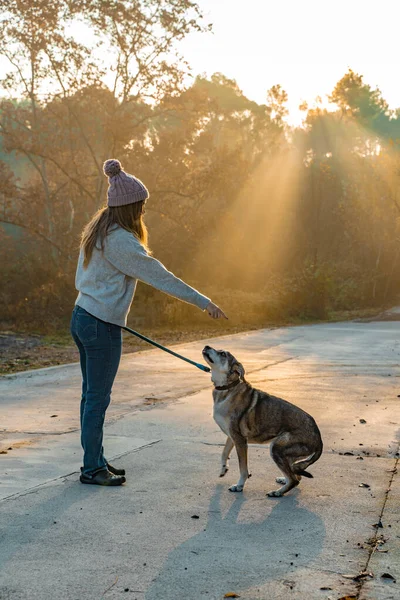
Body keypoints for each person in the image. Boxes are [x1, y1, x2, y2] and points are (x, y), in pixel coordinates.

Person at [70, 159, 227, 486]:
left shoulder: (100, 230)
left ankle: (94, 460)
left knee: (91, 396)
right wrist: (204, 303)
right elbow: (161, 277)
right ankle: (91, 469)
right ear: (127, 208)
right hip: (99, 326)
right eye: (140, 207)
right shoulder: (121, 241)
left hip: (83, 317)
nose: (142, 212)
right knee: (97, 399)